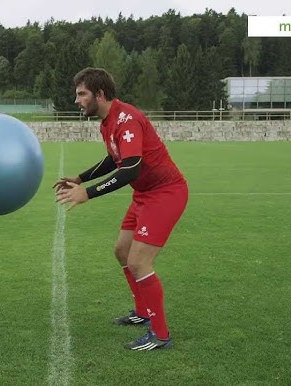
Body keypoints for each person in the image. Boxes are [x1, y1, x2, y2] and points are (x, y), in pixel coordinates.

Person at [55, 67, 188, 351]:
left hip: (165, 194)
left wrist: (86, 193)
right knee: (122, 251)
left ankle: (160, 334)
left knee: (140, 262)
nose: (77, 100)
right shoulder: (108, 121)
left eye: (82, 94)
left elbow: (129, 170)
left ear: (99, 94)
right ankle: (142, 311)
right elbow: (114, 158)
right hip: (144, 195)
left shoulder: (127, 119)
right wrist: (81, 178)